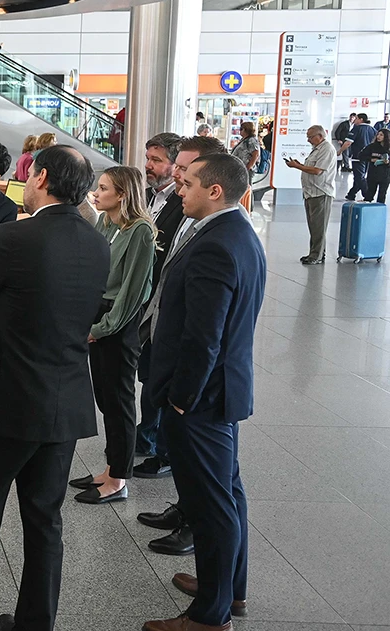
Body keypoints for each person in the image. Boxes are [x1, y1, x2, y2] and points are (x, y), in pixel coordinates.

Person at [0, 145, 110, 631]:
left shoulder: (11, 238)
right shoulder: (96, 241)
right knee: (45, 522)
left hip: (9, 404)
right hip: (65, 405)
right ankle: (35, 623)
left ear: (39, 178)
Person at [142, 154, 266, 631]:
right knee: (226, 494)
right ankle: (227, 589)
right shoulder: (237, 232)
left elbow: (204, 334)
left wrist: (181, 398)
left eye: (188, 183)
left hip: (202, 399)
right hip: (222, 391)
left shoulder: (216, 244)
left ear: (215, 191)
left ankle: (210, 616)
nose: (178, 190)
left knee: (211, 506)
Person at [68, 166, 155, 505]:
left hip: (118, 324)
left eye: (103, 188)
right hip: (100, 315)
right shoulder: (106, 223)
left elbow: (132, 293)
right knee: (105, 398)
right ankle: (110, 467)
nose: (96, 193)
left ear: (122, 194)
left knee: (119, 401)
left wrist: (100, 330)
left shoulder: (141, 232)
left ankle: (118, 478)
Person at [136, 133, 185, 464]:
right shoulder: (145, 197)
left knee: (159, 374)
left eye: (157, 160)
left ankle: (158, 444)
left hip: (162, 301)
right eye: (148, 158)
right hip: (142, 300)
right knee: (147, 373)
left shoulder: (183, 204)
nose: (149, 165)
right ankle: (146, 434)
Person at [284, 125, 338, 263]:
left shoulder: (327, 149)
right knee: (314, 226)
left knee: (319, 227)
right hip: (310, 193)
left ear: (320, 136)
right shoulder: (316, 149)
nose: (308, 140)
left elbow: (317, 171)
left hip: (321, 192)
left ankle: (316, 256)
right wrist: (300, 164)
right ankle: (316, 253)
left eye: (310, 137)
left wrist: (298, 166)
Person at [340, 113, 377, 201]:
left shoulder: (357, 128)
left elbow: (348, 142)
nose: (354, 120)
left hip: (358, 156)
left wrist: (340, 151)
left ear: (361, 119)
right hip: (369, 157)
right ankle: (351, 194)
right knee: (360, 176)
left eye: (356, 118)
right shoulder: (372, 129)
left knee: (359, 177)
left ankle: (367, 195)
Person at [358, 128, 390, 204]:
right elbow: (361, 156)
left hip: (385, 176)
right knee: (369, 194)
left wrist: (387, 162)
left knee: (382, 195)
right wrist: (371, 159)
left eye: (381, 135)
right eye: (378, 134)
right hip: (373, 174)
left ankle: (379, 211)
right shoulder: (372, 146)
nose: (378, 136)